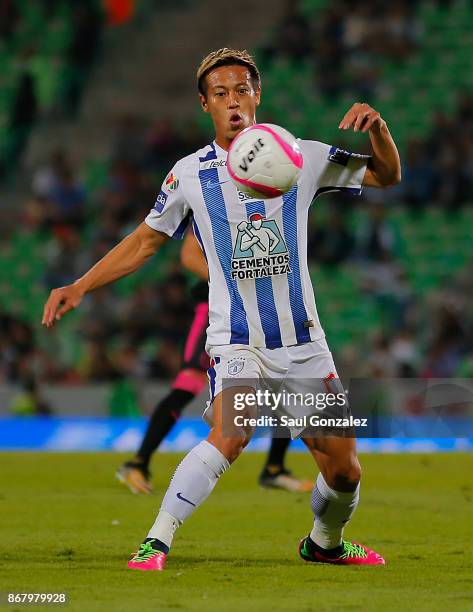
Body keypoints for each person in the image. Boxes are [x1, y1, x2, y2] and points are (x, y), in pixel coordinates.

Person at [42, 48, 401, 570]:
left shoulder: (300, 156)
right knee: (232, 431)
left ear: (257, 95)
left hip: (303, 343)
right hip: (235, 338)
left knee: (345, 472)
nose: (232, 102)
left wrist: (380, 131)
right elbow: (145, 241)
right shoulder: (189, 175)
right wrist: (81, 284)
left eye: (241, 90)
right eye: (220, 94)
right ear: (204, 104)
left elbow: (386, 177)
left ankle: (324, 544)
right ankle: (155, 541)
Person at [117, 230, 312, 494]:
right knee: (188, 384)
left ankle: (274, 469)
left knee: (284, 380)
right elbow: (189, 256)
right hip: (215, 310)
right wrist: (232, 282)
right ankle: (137, 463)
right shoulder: (213, 197)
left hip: (256, 310)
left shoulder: (259, 205)